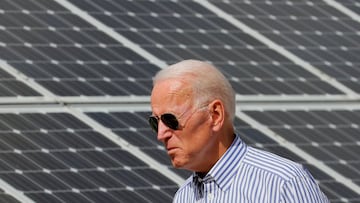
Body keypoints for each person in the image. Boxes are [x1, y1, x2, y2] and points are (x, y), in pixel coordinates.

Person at [148, 59, 329, 202]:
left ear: (215, 115)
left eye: (170, 119)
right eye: (155, 122)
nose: (161, 134)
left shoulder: (283, 183)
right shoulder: (184, 196)